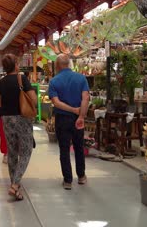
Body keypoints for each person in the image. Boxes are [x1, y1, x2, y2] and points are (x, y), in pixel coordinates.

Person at [0, 54, 37, 201]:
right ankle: (15, 184)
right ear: (16, 65)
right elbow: (33, 99)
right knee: (25, 152)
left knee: (12, 152)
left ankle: (15, 186)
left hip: (6, 119)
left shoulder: (1, 82)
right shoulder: (22, 79)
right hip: (22, 118)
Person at [48, 54, 89, 190]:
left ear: (57, 66)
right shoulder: (81, 78)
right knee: (79, 147)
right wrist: (81, 115)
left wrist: (71, 110)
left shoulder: (54, 81)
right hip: (78, 118)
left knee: (64, 149)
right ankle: (81, 176)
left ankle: (68, 181)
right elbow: (85, 99)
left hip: (62, 119)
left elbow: (56, 102)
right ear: (69, 64)